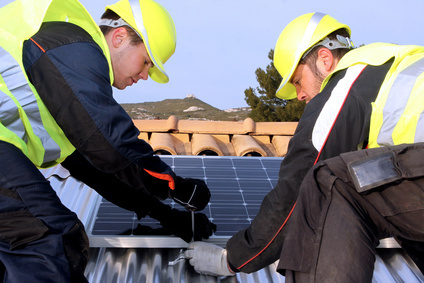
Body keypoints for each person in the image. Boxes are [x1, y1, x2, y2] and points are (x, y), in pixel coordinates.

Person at [184, 12, 424, 282]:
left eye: (298, 80)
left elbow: (297, 186)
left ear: (325, 59)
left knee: (328, 184)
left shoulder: (350, 81)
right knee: (377, 192)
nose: (299, 96)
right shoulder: (391, 65)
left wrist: (231, 258)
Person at [0, 0, 216, 282]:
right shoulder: (72, 46)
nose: (143, 76)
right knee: (50, 238)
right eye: (146, 62)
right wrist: (173, 184)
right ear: (120, 37)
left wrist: (165, 215)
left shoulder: (63, 82)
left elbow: (96, 168)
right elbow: (109, 140)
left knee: (19, 252)